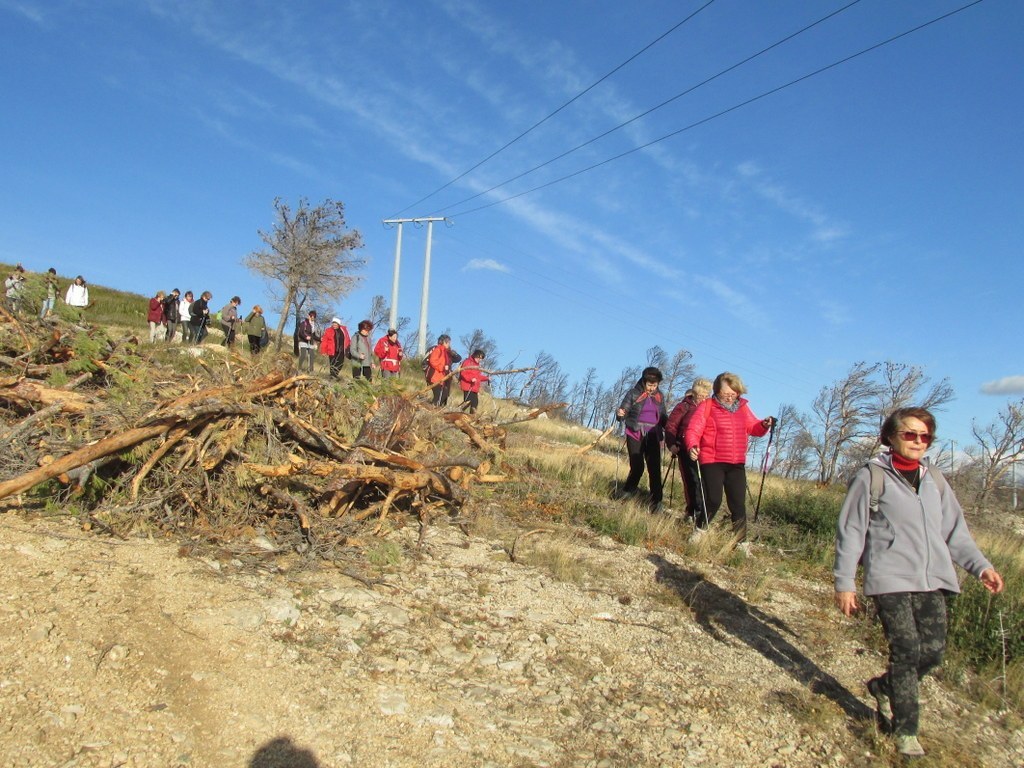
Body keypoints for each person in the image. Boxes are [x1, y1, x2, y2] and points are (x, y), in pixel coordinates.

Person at [833, 407, 1004, 758]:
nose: (917, 441)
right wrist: (845, 582)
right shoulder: (871, 477)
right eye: (909, 434)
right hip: (889, 579)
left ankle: (883, 687)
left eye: (924, 436)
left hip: (933, 580)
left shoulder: (936, 480)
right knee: (907, 651)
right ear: (891, 437)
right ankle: (906, 731)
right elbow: (851, 531)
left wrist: (981, 567)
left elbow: (956, 533)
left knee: (933, 653)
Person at [684, 372, 773, 541]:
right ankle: (699, 532)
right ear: (717, 391)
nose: (730, 397)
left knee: (738, 505)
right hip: (712, 460)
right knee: (713, 500)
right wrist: (692, 445)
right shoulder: (707, 406)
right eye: (726, 394)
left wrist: (763, 424)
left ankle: (741, 543)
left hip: (736, 463)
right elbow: (693, 430)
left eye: (734, 394)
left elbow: (753, 427)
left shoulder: (742, 408)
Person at [614, 367, 668, 512]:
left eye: (655, 385)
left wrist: (671, 427)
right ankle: (628, 492)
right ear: (644, 381)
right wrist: (620, 414)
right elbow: (623, 412)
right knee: (637, 466)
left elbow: (663, 416)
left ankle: (656, 501)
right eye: (649, 384)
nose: (652, 388)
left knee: (655, 468)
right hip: (635, 432)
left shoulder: (660, 396)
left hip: (653, 435)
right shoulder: (633, 393)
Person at [664, 377, 713, 524]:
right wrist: (671, 444)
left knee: (703, 482)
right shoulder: (683, 407)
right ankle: (692, 511)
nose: (702, 398)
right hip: (684, 447)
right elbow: (671, 426)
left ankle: (702, 511)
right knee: (691, 480)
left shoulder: (710, 408)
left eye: (705, 396)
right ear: (694, 393)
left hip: (704, 449)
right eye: (700, 395)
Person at [458, 350, 490, 414]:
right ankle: (458, 412)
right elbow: (463, 373)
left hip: (474, 388)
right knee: (468, 402)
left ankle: (472, 417)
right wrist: (471, 379)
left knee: (475, 403)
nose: (479, 360)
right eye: (478, 358)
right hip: (468, 386)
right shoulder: (467, 362)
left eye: (481, 358)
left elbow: (478, 377)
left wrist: (487, 378)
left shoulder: (477, 365)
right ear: (475, 355)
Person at [427, 335, 455, 406]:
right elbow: (432, 361)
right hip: (434, 377)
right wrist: (442, 368)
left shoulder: (444, 352)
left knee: (444, 394)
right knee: (438, 396)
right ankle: (432, 409)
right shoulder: (438, 349)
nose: (449, 344)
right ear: (443, 342)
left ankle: (433, 408)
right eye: (448, 342)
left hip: (440, 378)